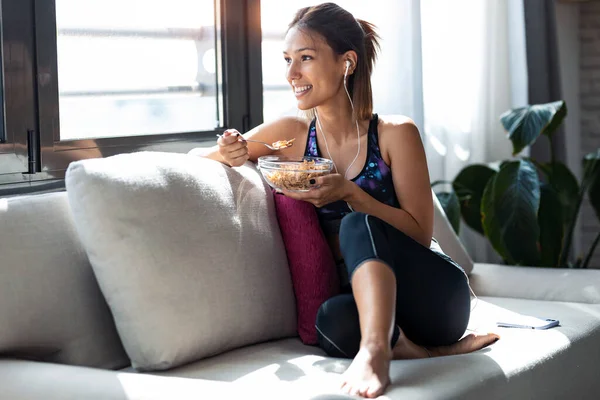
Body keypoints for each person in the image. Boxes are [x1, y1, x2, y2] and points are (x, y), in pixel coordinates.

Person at [198, 3, 499, 398]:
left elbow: (421, 235)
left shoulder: (395, 134)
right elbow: (202, 160)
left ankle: (377, 352)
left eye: (305, 58)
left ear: (347, 62)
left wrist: (351, 194)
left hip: (433, 296)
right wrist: (231, 151)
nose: (291, 74)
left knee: (358, 223)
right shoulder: (291, 133)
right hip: (362, 305)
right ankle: (420, 351)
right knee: (329, 321)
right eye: (288, 60)